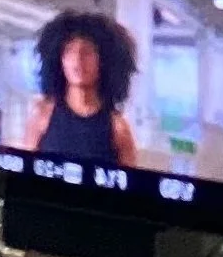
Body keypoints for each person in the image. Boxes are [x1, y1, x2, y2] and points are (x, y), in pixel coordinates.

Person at [19, 10, 139, 172]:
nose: (78, 59)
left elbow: (129, 187)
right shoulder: (42, 116)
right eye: (69, 51)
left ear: (104, 61)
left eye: (87, 51)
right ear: (58, 59)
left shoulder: (118, 127)